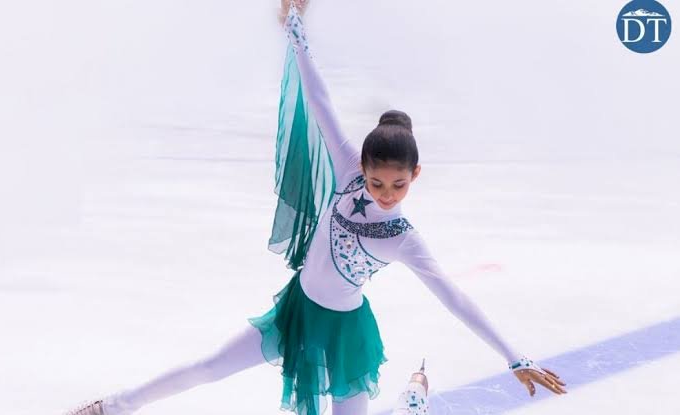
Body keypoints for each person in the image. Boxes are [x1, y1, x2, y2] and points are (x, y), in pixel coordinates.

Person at [63, 1, 566, 415]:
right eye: (375, 181)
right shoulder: (348, 170)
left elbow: (455, 298)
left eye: (397, 184)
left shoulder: (403, 237)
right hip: (297, 313)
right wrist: (296, 32)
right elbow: (319, 98)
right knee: (208, 367)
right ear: (361, 167)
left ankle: (413, 394)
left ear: (415, 176)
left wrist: (512, 355)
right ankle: (111, 407)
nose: (384, 193)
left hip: (346, 336)